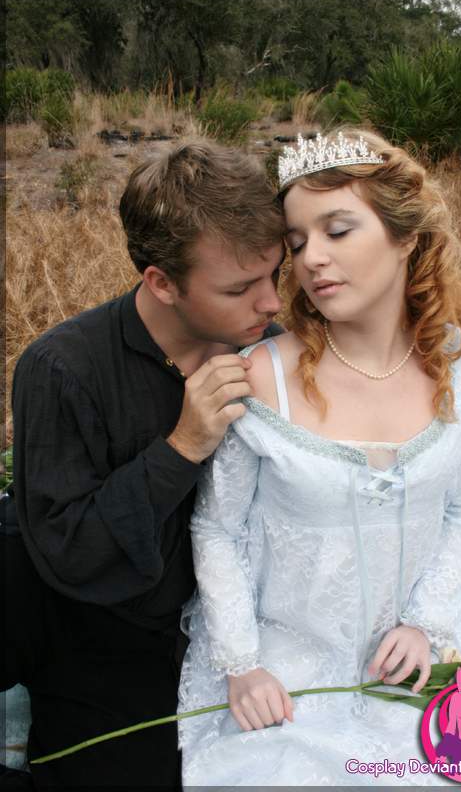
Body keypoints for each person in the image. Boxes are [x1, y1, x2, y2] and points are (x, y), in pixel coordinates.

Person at [178, 129, 461, 786]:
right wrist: (242, 664)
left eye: (337, 230)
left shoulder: (457, 360)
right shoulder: (260, 376)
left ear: (404, 237)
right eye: (297, 241)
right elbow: (216, 527)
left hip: (418, 660)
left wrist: (424, 625)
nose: (312, 259)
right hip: (288, 672)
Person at [1, 137, 285, 789]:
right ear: (161, 282)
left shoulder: (269, 354)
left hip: (235, 634)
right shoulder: (62, 370)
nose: (271, 303)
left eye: (276, 274)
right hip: (101, 645)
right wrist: (182, 447)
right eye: (240, 287)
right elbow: (69, 553)